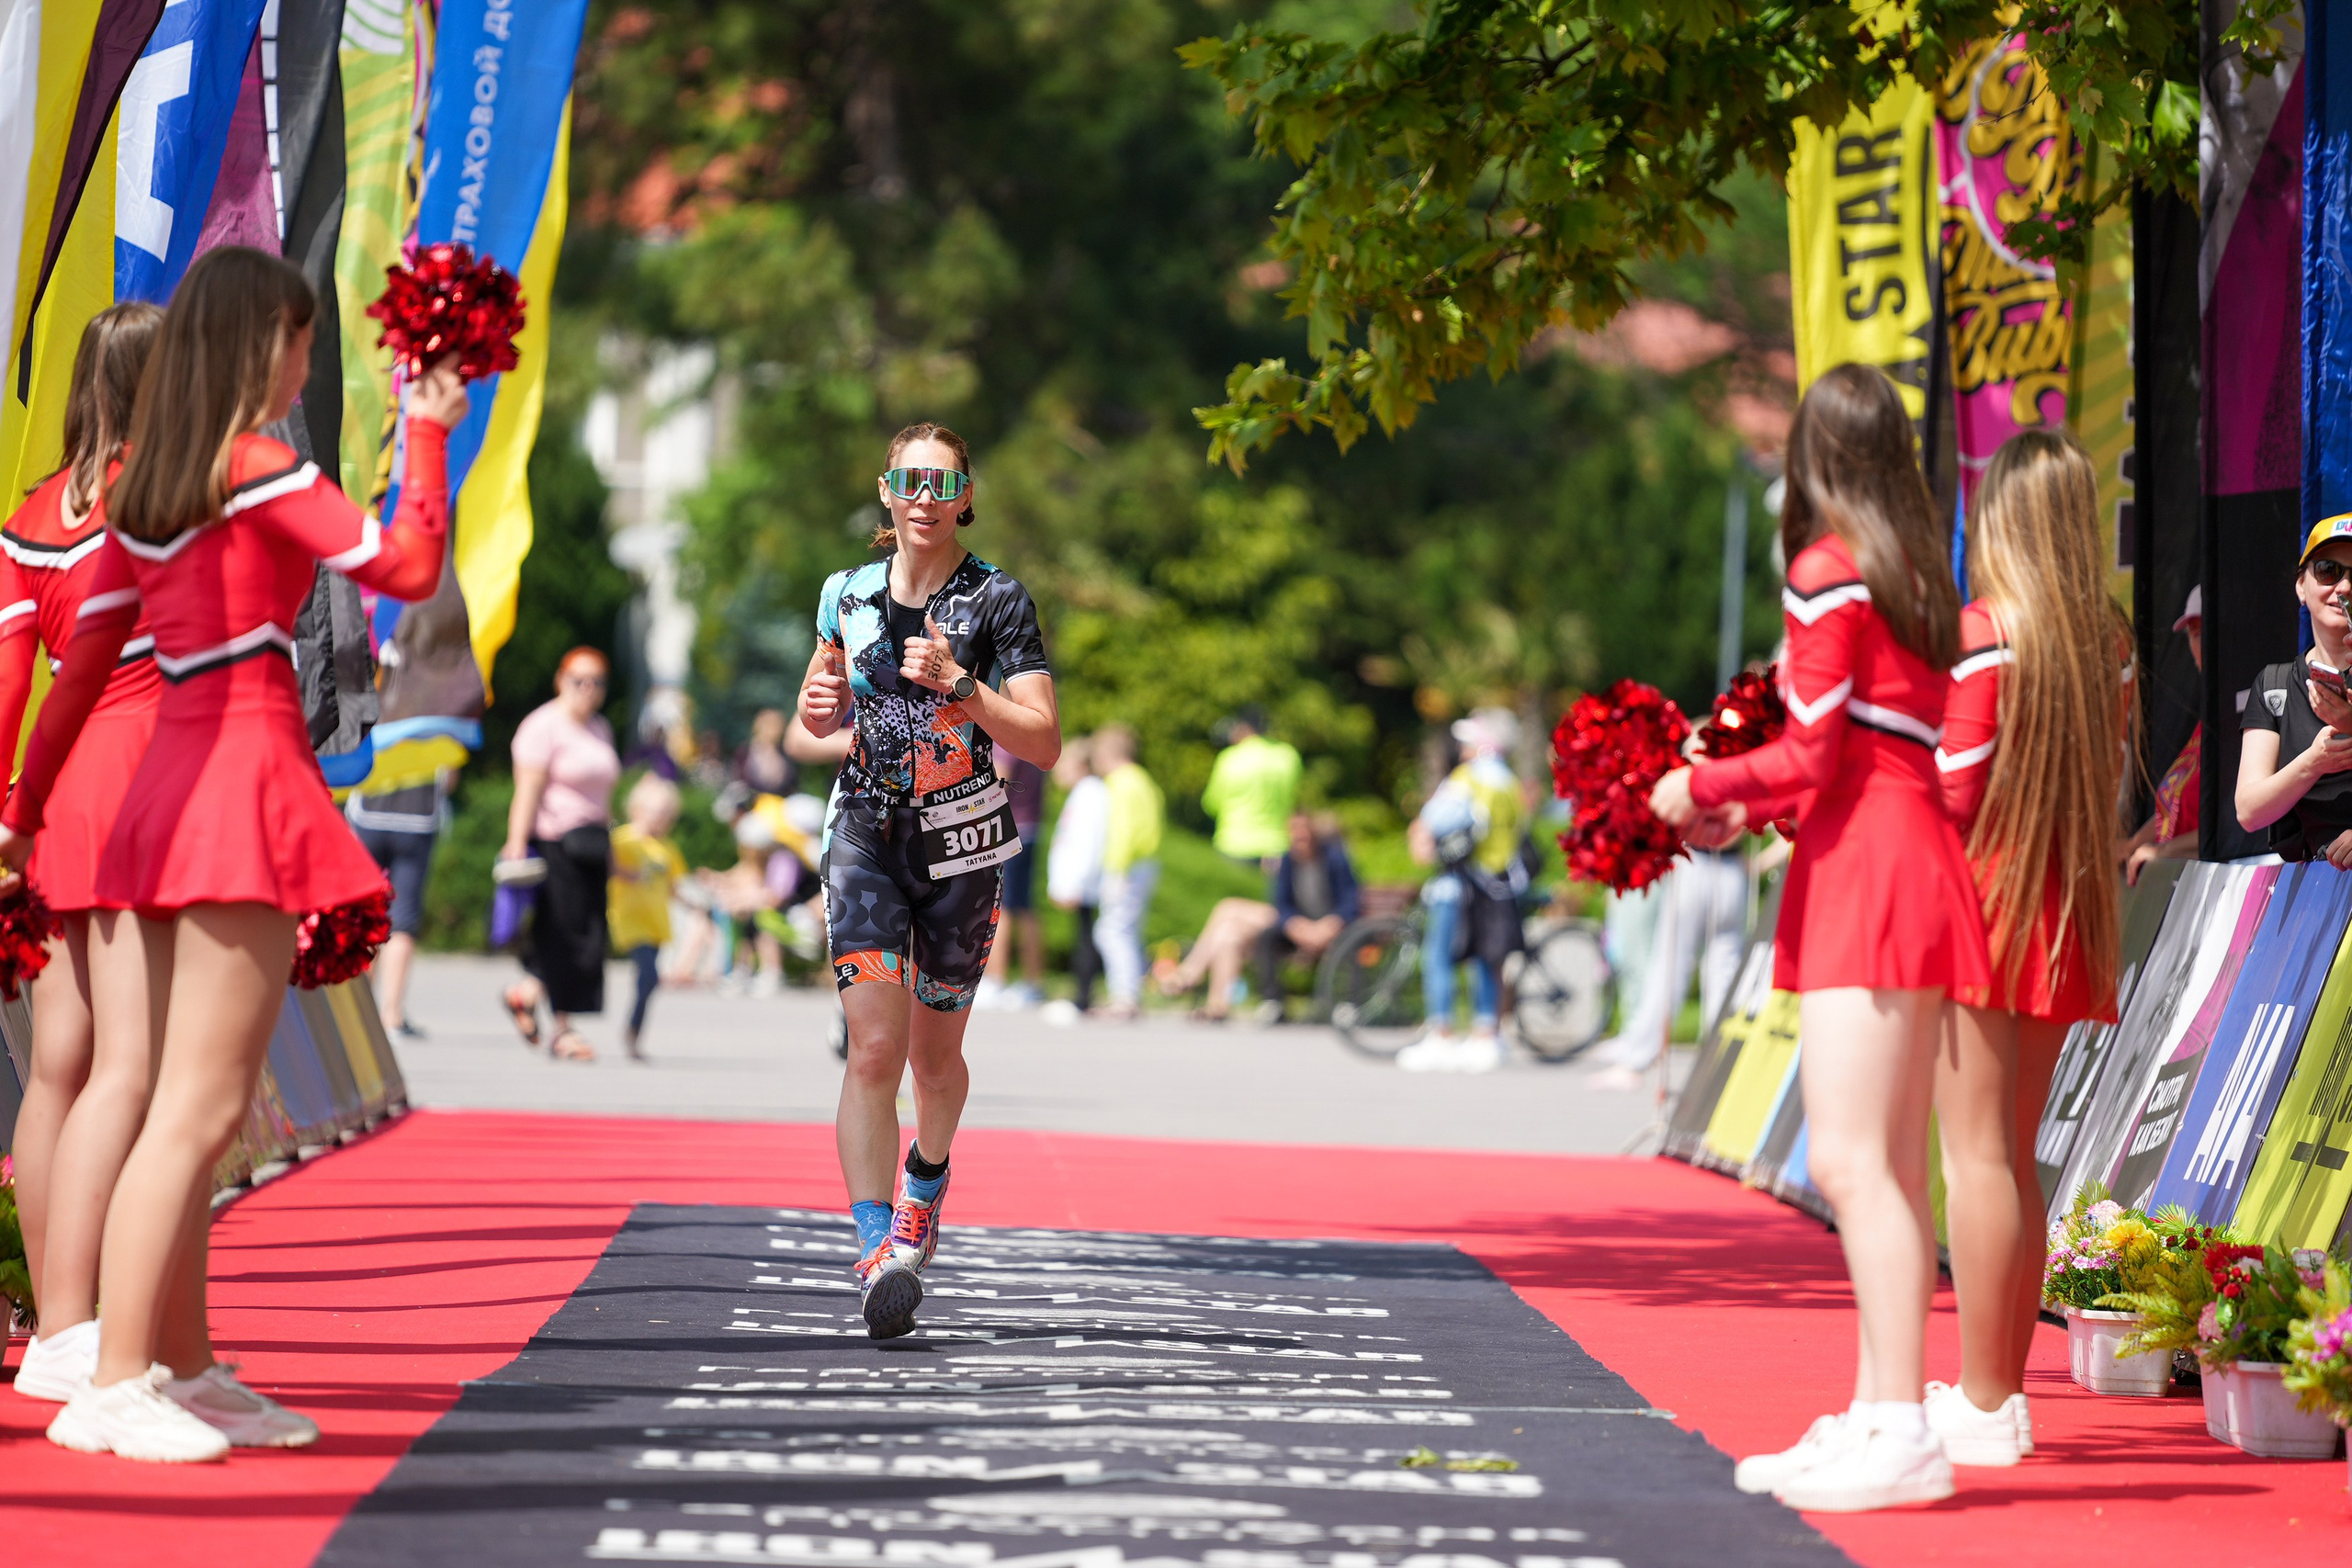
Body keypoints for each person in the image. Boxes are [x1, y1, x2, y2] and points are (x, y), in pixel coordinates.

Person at [0, 244, 467, 1461]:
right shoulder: (253, 472)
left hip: (159, 794)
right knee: (202, 1101)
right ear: (264, 341)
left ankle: (177, 1361)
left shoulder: (153, 493)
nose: (308, 360)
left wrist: (22, 814)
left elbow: (82, 665)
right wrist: (427, 433)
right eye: (302, 340)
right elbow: (405, 566)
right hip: (233, 793)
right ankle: (115, 1371)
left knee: (168, 1092)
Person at [1649, 361, 1986, 1512]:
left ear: (1810, 457)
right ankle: (1878, 1412)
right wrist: (1752, 796)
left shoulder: (1828, 570)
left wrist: (1696, 784)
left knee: (1850, 1161)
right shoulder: (1915, 583)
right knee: (1889, 1164)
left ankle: (1897, 1426)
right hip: (1908, 854)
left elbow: (1809, 756)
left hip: (1866, 869)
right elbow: (1870, 748)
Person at [796, 421, 1058, 1340]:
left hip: (962, 848)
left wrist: (962, 687)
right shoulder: (845, 594)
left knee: (933, 1061)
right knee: (873, 1049)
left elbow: (1044, 741)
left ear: (963, 497)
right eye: (907, 479)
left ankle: (926, 1180)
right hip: (864, 833)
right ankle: (878, 1251)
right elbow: (813, 719)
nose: (922, 495)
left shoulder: (997, 601)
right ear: (884, 491)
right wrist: (815, 709)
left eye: (939, 482)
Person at [1929, 429, 2126, 1466]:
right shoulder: (2103, 636)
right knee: (2015, 1156)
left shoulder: (1985, 630)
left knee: (1975, 1159)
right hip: (2068, 910)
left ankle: (1985, 1395)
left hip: (1984, 908)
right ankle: (1998, 1389)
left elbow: (1951, 792)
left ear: (1998, 517)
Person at [2, 303, 164, 1405]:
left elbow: (12, 686)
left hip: (50, 800)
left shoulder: (29, 513)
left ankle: (58, 1329)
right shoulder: (170, 504)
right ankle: (107, 1325)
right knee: (138, 1072)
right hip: (151, 787)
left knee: (55, 1063)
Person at [501, 647, 622, 1062]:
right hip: (554, 842)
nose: (588, 689)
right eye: (579, 680)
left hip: (592, 844)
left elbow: (605, 797)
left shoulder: (600, 728)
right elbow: (528, 790)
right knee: (565, 936)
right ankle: (563, 1029)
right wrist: (516, 843)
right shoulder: (543, 726)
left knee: (588, 935)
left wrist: (614, 848)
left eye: (597, 682)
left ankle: (527, 993)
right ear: (561, 680)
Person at [1398, 709, 1525, 1074]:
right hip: (1498, 884)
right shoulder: (1510, 783)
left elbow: (1438, 819)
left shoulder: (1469, 779)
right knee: (1487, 961)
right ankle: (1487, 1033)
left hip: (1461, 885)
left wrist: (1421, 829)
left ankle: (1442, 1031)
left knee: (1439, 956)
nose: (1462, 748)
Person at [1585, 837, 1750, 1088]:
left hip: (1697, 863)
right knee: (1724, 972)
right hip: (1733, 868)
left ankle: (1637, 1060)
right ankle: (1721, 1062)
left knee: (1670, 968)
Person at [2236, 518, 2352, 865]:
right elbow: (2249, 811)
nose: (2345, 586)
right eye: (2329, 570)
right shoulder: (2274, 686)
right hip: (2317, 897)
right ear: (2301, 587)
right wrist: (2314, 762)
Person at [347, 755, 452, 1040]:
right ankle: (391, 1015)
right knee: (403, 919)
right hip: (417, 820)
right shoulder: (436, 714)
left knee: (366, 914)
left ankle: (361, 1015)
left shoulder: (372, 710)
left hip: (368, 815)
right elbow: (449, 777)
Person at [2124, 587, 2200, 883]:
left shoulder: (2244, 716)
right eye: (2193, 634)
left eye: (2206, 630)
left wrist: (2163, 851)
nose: (2200, 644)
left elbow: (2238, 827)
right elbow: (2172, 803)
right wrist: (2132, 845)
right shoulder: (2205, 722)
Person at [609, 773, 686, 1061]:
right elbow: (608, 866)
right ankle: (632, 1033)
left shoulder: (667, 848)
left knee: (648, 982)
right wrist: (626, 873)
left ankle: (633, 1032)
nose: (662, 819)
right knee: (649, 975)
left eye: (667, 815)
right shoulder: (623, 839)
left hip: (656, 923)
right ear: (637, 809)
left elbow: (675, 886)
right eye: (657, 812)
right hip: (630, 919)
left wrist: (699, 904)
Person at [1255, 812, 1360, 1021]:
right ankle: (1273, 1002)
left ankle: (1350, 1005)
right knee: (1267, 937)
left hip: (1332, 926)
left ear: (1313, 832)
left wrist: (1332, 924)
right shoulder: (1286, 862)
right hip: (1301, 928)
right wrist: (1295, 925)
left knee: (1351, 941)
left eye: (1304, 829)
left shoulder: (1335, 859)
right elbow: (1281, 903)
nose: (1299, 835)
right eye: (1294, 830)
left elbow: (1351, 899)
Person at [1092, 724, 1162, 1021]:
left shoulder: (1120, 782)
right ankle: (1128, 994)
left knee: (1111, 931)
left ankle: (1124, 997)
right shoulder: (1144, 780)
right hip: (1146, 862)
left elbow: (1122, 830)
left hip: (1128, 866)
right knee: (1128, 930)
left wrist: (1115, 871)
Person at [973, 742, 1047, 1010]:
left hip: (1007, 829)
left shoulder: (1007, 739)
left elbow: (997, 783)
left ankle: (997, 980)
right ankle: (1033, 982)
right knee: (1024, 907)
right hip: (1030, 827)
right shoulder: (1030, 736)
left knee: (1000, 905)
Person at [1045, 733, 1108, 1021]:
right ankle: (1082, 995)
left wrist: (1075, 884)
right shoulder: (1083, 793)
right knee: (1083, 936)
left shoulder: (1092, 794)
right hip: (1078, 884)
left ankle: (1083, 998)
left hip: (1084, 884)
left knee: (1086, 939)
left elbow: (1089, 843)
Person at [1202, 705, 1300, 869]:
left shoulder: (1230, 758)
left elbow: (1211, 803)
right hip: (1276, 848)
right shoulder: (1289, 756)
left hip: (1234, 845)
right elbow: (1292, 798)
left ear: (1243, 727)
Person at [732, 706, 797, 795]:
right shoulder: (745, 752)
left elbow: (792, 784)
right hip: (752, 802)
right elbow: (739, 781)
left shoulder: (785, 752)